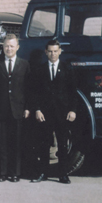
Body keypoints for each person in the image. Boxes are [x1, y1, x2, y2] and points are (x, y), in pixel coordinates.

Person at [0, 34, 31, 182]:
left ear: (17, 47)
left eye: (11, 46)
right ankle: (2, 173)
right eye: (6, 46)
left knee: (16, 144)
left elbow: (28, 89)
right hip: (1, 110)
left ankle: (15, 173)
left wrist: (28, 108)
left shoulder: (24, 65)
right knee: (2, 144)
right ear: (2, 47)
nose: (9, 49)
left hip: (18, 110)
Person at [30, 39, 77, 184]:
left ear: (60, 51)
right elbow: (35, 92)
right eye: (50, 51)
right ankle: (43, 173)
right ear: (46, 52)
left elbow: (73, 92)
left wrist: (72, 110)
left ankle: (63, 174)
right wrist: (37, 110)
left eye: (55, 51)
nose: (53, 54)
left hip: (62, 113)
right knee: (44, 144)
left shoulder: (67, 68)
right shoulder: (40, 70)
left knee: (62, 144)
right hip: (45, 113)